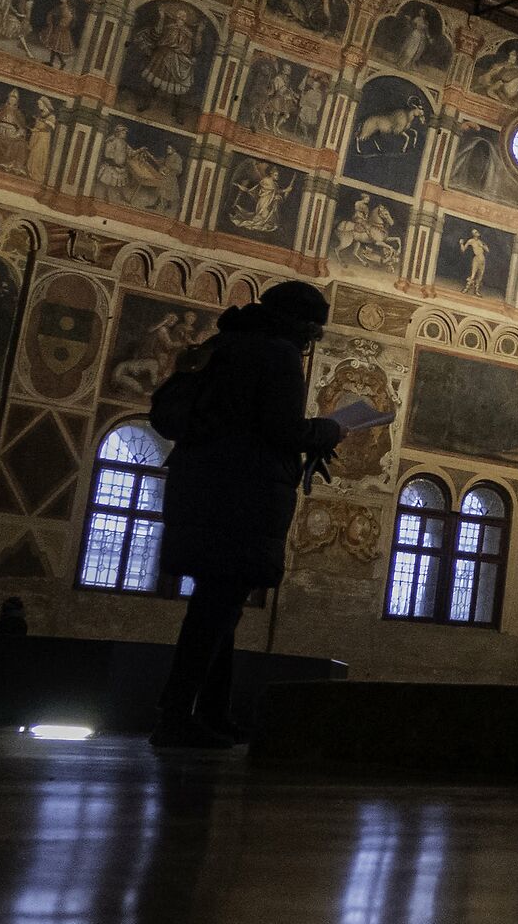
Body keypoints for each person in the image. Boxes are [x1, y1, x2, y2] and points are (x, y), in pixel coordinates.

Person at [148, 282, 382, 749]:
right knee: (216, 608)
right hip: (242, 492)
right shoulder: (277, 354)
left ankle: (212, 713)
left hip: (202, 485)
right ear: (302, 325)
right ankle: (175, 716)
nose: (311, 339)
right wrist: (330, 428)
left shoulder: (227, 343)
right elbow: (280, 428)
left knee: (219, 607)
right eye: (313, 329)